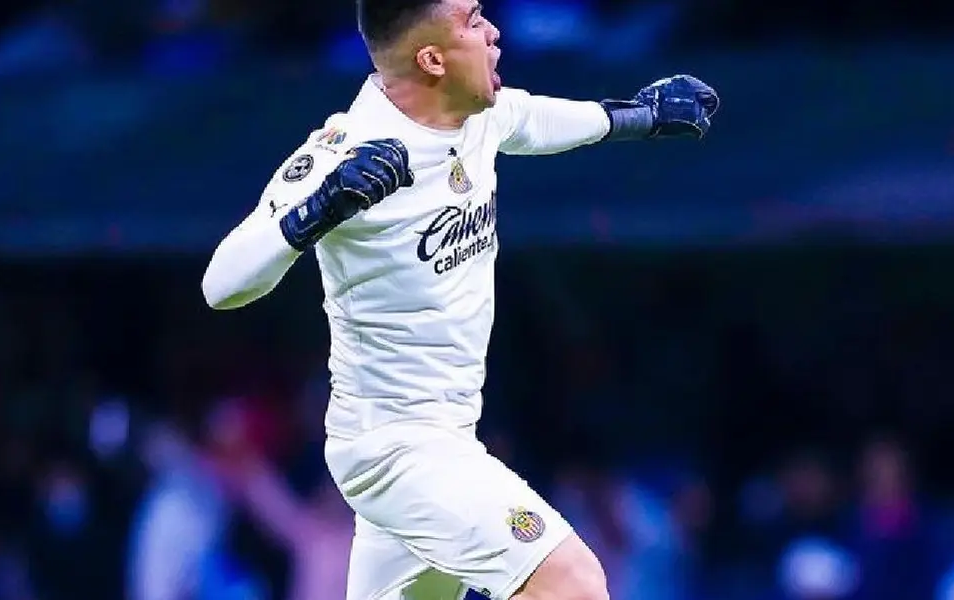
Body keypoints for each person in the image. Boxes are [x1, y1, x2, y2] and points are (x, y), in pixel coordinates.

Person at [199, 0, 719, 597]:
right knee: (573, 583)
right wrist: (318, 209)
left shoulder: (475, 116)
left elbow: (532, 118)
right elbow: (222, 285)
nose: (493, 31)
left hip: (446, 439)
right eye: (472, 19)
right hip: (397, 452)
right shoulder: (347, 153)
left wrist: (640, 115)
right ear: (432, 59)